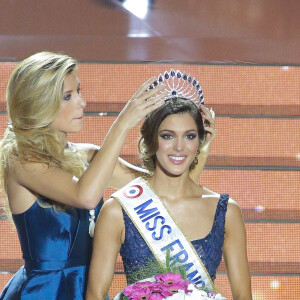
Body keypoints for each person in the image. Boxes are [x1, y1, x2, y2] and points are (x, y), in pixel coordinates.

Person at [0, 55, 215, 300]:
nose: (82, 102)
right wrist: (122, 124)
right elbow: (86, 196)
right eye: (68, 96)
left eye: (79, 91)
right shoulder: (21, 162)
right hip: (42, 293)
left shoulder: (87, 157)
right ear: (40, 104)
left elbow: (166, 194)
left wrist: (198, 149)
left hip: (88, 289)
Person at [86, 70, 252, 300]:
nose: (179, 147)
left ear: (200, 141)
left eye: (190, 136)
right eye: (167, 136)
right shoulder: (118, 211)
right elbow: (94, 294)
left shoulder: (226, 211)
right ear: (151, 140)